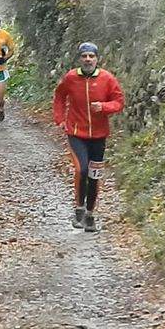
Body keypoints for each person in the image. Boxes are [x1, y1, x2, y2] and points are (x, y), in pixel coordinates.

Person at [52, 42, 124, 232]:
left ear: (97, 59)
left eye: (91, 56)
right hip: (76, 133)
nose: (88, 59)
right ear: (79, 59)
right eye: (84, 56)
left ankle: (90, 214)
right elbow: (59, 96)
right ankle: (79, 208)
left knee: (94, 175)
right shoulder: (71, 78)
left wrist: (104, 107)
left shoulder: (107, 79)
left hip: (99, 135)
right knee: (81, 169)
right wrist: (59, 118)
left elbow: (119, 101)